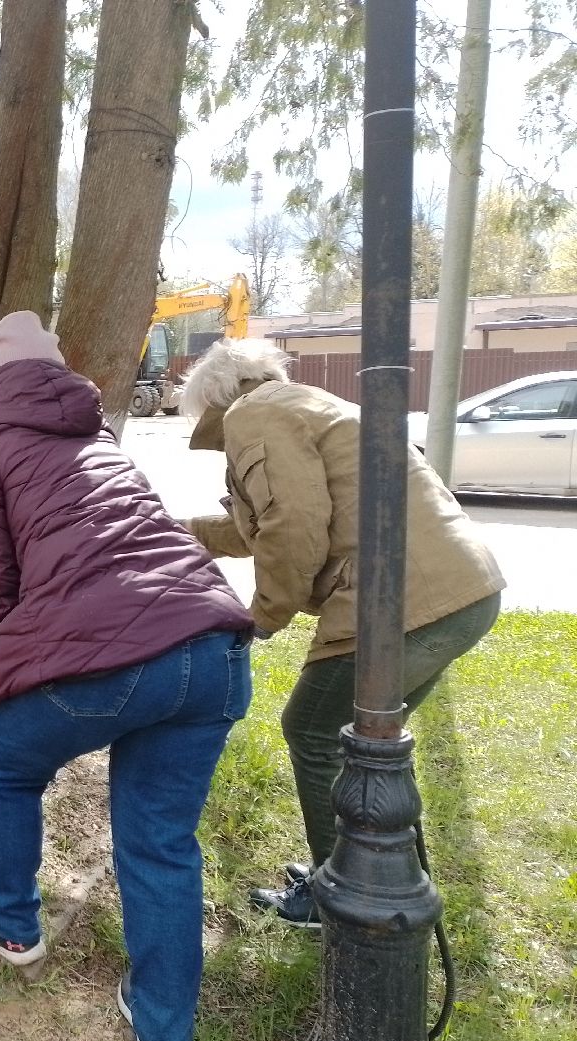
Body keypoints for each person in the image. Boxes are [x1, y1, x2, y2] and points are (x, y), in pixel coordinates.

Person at [0, 310, 255, 1041]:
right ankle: (164, 1036)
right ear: (54, 375)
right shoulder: (97, 436)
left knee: (2, 760)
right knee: (159, 842)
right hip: (213, 652)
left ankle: (11, 925)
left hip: (117, 660)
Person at [179, 338, 504, 927]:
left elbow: (293, 527)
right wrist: (186, 531)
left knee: (314, 730)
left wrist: (262, 616)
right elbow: (264, 525)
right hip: (457, 591)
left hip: (400, 602)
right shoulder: (301, 404)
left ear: (215, 399)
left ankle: (344, 898)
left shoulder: (256, 414)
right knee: (368, 744)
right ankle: (375, 877)